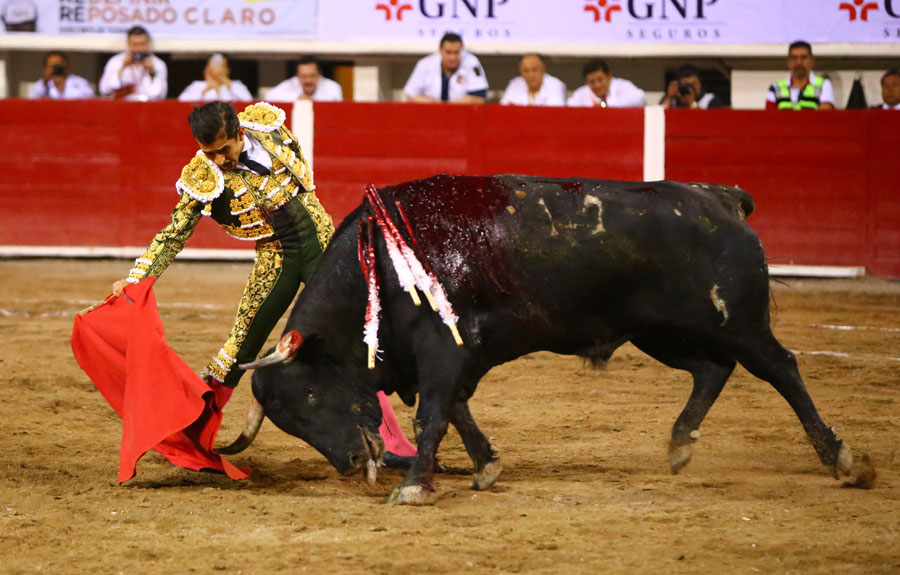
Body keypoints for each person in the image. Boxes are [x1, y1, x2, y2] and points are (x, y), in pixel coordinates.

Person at [109, 101, 416, 459]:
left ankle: (395, 443)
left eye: (224, 149)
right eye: (210, 153)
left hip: (321, 245)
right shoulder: (203, 175)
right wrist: (137, 278)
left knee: (357, 341)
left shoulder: (269, 129)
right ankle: (194, 437)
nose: (220, 160)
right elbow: (174, 233)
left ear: (240, 133)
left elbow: (303, 179)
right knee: (240, 343)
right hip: (277, 255)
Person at [403, 32, 488, 104]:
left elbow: (478, 98)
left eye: (456, 53)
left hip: (462, 115)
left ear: (462, 50)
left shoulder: (471, 63)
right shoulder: (425, 64)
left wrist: (449, 108)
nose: (452, 57)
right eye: (448, 52)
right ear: (440, 50)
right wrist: (436, 104)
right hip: (429, 114)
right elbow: (410, 96)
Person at [98, 25, 167, 101]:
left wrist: (152, 74)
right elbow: (104, 90)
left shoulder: (158, 64)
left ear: (148, 43)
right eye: (135, 44)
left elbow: (161, 96)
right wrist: (122, 68)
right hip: (121, 108)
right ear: (128, 43)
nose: (139, 48)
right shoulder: (116, 62)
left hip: (147, 109)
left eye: (142, 44)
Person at [765, 41, 834, 111]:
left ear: (812, 61)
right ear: (788, 62)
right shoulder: (775, 88)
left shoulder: (824, 85)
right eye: (794, 58)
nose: (799, 62)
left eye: (803, 58)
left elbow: (825, 115)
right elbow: (769, 118)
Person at [567, 59, 646, 108]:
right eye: (592, 82)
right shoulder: (580, 93)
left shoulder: (622, 86)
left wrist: (606, 104)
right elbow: (570, 105)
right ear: (586, 82)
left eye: (600, 80)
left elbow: (640, 98)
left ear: (609, 76)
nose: (597, 85)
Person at [178, 53, 253, 102]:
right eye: (213, 65)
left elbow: (248, 100)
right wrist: (206, 89)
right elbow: (180, 101)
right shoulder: (197, 85)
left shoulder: (236, 85)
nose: (216, 68)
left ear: (227, 70)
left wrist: (225, 81)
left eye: (220, 65)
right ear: (207, 69)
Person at [265, 56, 343, 102]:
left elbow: (334, 100)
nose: (308, 80)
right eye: (304, 76)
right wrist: (297, 97)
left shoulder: (332, 86)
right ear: (297, 76)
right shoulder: (291, 83)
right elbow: (269, 96)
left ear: (319, 75)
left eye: (312, 76)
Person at [500, 53, 566, 107]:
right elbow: (504, 108)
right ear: (521, 72)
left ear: (543, 70)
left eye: (534, 70)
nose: (530, 75)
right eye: (526, 71)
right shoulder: (515, 84)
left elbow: (554, 112)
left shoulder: (555, 85)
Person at [28, 51, 94, 99]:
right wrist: (46, 81)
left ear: (66, 65)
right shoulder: (41, 85)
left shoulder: (80, 83)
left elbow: (89, 101)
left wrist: (62, 84)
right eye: (52, 66)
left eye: (58, 65)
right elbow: (32, 102)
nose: (55, 69)